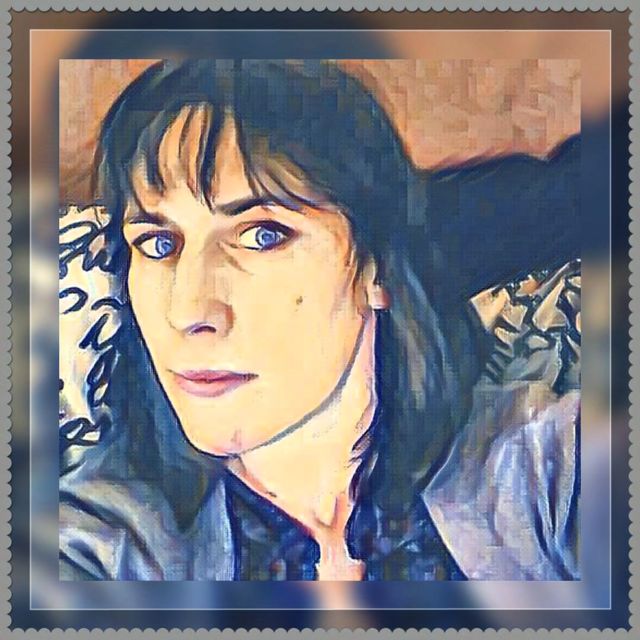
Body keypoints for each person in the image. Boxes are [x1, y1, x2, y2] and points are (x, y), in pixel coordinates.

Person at [59, 59, 580, 582]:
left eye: (263, 235)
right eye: (157, 243)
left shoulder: (550, 469)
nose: (189, 311)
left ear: (377, 266)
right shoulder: (99, 545)